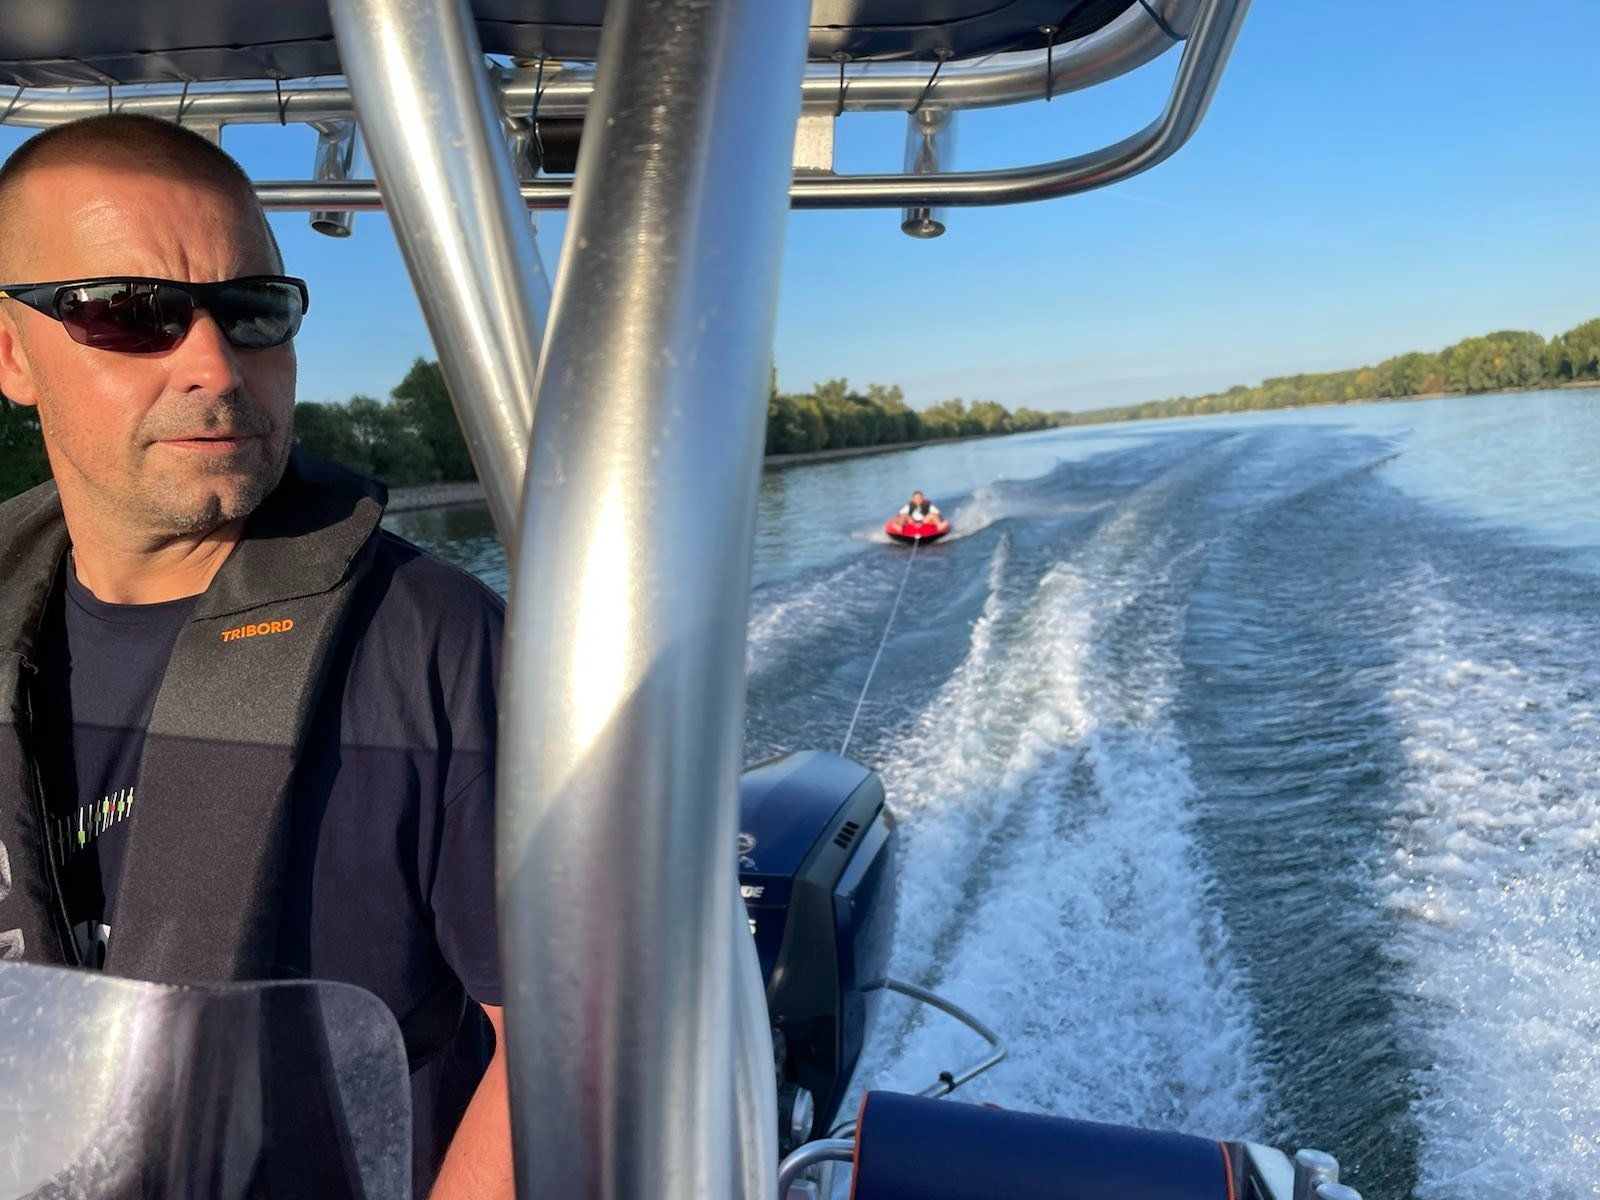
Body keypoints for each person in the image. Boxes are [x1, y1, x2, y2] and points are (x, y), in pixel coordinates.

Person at [0, 115, 510, 1199]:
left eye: (252, 311)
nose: (215, 364)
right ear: (10, 353)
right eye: (129, 314)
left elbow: (565, 1038)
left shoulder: (437, 645)